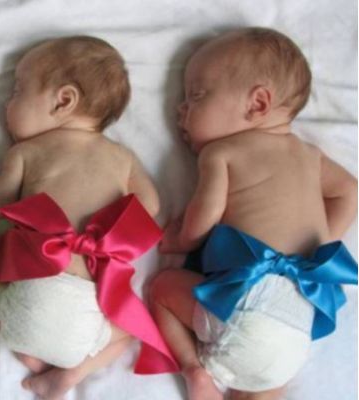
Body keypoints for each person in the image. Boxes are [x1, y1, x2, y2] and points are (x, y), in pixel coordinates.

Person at [151, 27, 358, 400]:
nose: (181, 109)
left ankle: (195, 371)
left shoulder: (222, 153)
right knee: (261, 382)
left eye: (196, 95)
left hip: (243, 309)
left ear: (258, 104)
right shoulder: (310, 156)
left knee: (162, 288)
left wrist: (179, 240)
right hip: (297, 327)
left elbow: (204, 218)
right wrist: (317, 248)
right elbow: (350, 191)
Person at [0, 36, 177, 400]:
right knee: (128, 332)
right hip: (84, 318)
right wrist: (100, 234)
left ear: (64, 100)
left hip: (24, 303)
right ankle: (73, 372)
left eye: (18, 91)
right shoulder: (122, 157)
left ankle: (30, 355)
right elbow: (150, 205)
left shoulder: (25, 152)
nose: (7, 103)